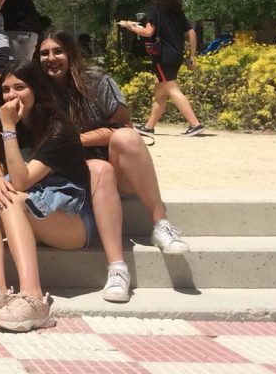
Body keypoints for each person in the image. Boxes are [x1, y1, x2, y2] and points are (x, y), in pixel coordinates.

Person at [0, 61, 98, 332]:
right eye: (6, 89)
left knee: (13, 198)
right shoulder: (12, 123)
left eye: (20, 87)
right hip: (35, 211)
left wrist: (8, 127)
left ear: (36, 90)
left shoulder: (58, 130)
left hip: (72, 222)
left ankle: (34, 298)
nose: (11, 95)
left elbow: (20, 181)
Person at [39, 29, 190, 259]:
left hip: (112, 172)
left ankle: (161, 224)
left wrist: (75, 140)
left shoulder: (96, 80)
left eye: (58, 51)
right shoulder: (36, 89)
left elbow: (123, 125)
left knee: (127, 138)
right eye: (44, 53)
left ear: (70, 53)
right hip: (67, 178)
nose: (51, 58)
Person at [118, 0, 204, 136]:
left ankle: (195, 124)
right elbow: (192, 33)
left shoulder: (154, 10)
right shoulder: (178, 12)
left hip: (163, 57)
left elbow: (148, 32)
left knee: (172, 89)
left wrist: (130, 27)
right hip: (176, 56)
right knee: (160, 93)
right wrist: (192, 56)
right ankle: (149, 126)